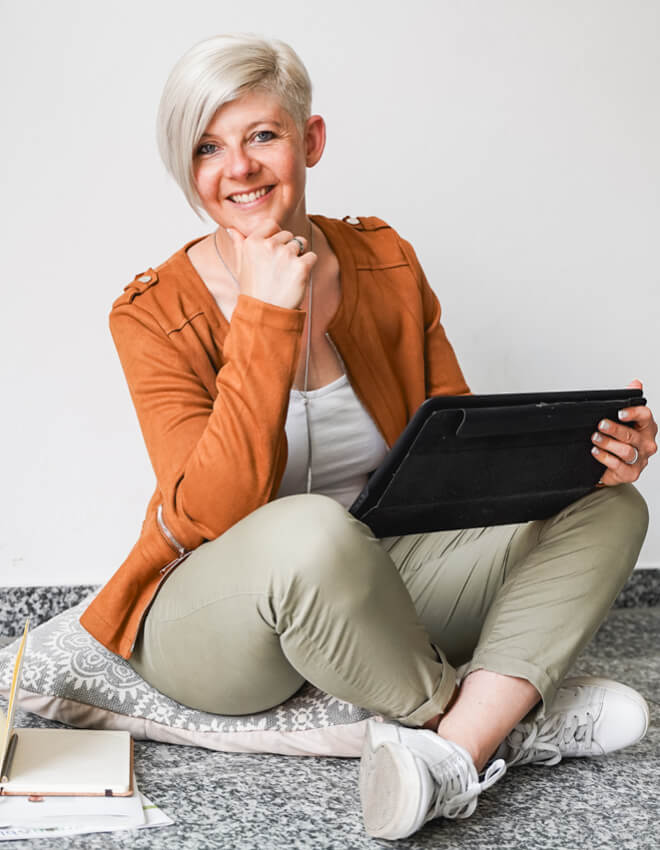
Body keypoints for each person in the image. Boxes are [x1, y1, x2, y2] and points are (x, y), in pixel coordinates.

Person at [80, 34, 657, 840]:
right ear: (188, 168)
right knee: (311, 528)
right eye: (208, 147)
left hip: (375, 588)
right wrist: (265, 316)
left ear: (309, 140)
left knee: (617, 507)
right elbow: (209, 511)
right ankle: (503, 720)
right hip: (213, 621)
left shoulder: (383, 261)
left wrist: (576, 460)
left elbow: (457, 461)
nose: (237, 167)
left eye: (263, 136)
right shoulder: (151, 313)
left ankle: (454, 753)